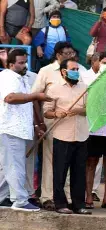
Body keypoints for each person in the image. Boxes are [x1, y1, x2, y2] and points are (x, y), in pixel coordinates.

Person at [0, 49, 52, 212]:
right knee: (16, 166)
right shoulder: (8, 77)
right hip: (11, 129)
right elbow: (10, 98)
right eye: (21, 63)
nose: (25, 65)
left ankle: (2, 198)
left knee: (9, 166)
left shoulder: (21, 78)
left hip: (19, 129)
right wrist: (36, 96)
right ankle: (20, 201)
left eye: (25, 62)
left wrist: (37, 124)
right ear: (10, 64)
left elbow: (28, 103)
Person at [43, 58, 91, 215]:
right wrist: (57, 113)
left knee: (79, 171)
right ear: (64, 72)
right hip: (62, 135)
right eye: (73, 69)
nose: (76, 72)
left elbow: (90, 109)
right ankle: (60, 203)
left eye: (77, 70)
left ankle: (78, 205)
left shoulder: (84, 88)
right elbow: (47, 112)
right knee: (60, 171)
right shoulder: (54, 89)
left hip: (82, 136)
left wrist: (78, 111)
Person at [31, 41, 75, 211]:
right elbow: (35, 96)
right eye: (67, 54)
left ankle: (66, 197)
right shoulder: (46, 71)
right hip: (51, 120)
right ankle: (47, 197)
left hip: (71, 122)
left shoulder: (76, 70)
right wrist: (39, 122)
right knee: (50, 160)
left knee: (68, 161)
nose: (71, 56)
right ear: (58, 55)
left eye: (72, 54)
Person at [81, 52, 106, 210]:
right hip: (93, 128)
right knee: (91, 163)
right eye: (104, 62)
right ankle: (88, 197)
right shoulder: (85, 77)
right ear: (95, 62)